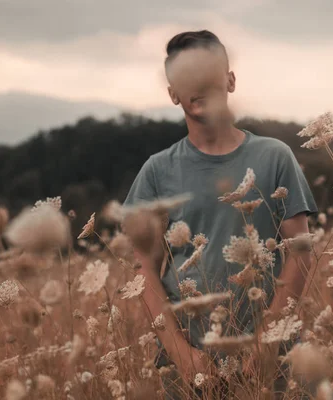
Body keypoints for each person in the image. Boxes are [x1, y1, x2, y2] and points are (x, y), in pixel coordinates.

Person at [123, 30, 318, 398]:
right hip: (190, 363)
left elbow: (301, 250)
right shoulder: (156, 171)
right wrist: (183, 356)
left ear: (230, 80)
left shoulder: (275, 156)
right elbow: (143, 270)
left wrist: (267, 343)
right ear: (173, 93)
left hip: (275, 359)